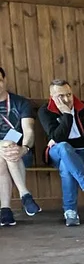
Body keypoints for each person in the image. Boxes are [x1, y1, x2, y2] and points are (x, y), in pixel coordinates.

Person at [37, 79, 84, 227]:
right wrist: (67, 115)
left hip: (82, 153)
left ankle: (71, 212)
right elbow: (58, 137)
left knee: (66, 166)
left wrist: (62, 141)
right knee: (64, 148)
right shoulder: (45, 111)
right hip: (57, 152)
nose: (67, 99)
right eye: (61, 96)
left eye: (69, 94)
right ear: (52, 96)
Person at [0, 65, 41, 225]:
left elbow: (28, 130)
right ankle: (25, 195)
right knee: (6, 148)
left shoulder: (20, 103)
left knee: (8, 151)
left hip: (20, 153)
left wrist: (24, 148)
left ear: (5, 80)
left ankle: (5, 210)